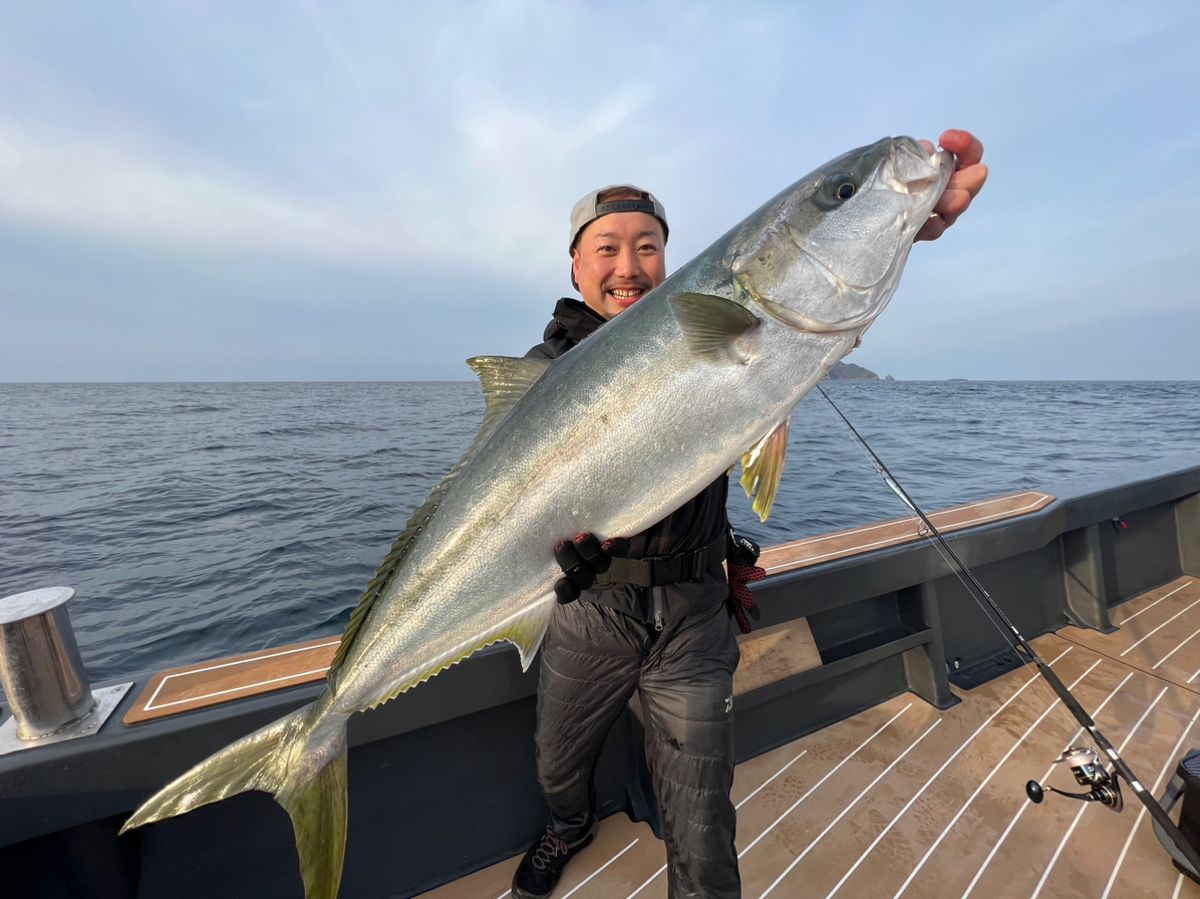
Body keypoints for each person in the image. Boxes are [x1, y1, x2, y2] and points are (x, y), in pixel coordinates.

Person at [510, 130, 988, 899]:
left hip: (694, 614)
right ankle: (569, 824)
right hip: (584, 611)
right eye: (606, 248)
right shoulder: (543, 373)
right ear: (574, 264)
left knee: (703, 825)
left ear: (671, 260)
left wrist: (894, 222)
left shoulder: (726, 324)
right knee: (556, 764)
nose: (628, 267)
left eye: (648, 247)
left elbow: (808, 305)